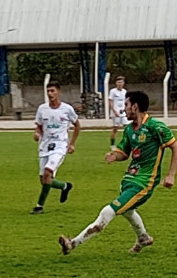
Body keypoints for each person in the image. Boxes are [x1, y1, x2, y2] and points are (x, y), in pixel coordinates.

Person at [59, 91, 177, 255]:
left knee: (108, 211)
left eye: (126, 105)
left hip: (144, 183)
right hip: (129, 179)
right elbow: (125, 153)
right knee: (127, 210)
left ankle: (73, 243)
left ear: (135, 106)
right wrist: (115, 156)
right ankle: (143, 237)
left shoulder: (155, 127)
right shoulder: (129, 129)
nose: (124, 110)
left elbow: (174, 146)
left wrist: (171, 175)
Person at [31, 81, 80, 214]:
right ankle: (65, 186)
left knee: (48, 173)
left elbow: (77, 126)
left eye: (52, 91)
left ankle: (39, 206)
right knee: (44, 180)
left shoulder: (67, 109)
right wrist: (36, 133)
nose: (50, 94)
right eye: (48, 91)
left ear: (59, 92)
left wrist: (72, 144)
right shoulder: (42, 109)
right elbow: (39, 126)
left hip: (60, 146)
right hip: (44, 146)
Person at [109, 76, 128, 151]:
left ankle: (126, 143)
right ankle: (112, 144)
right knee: (115, 129)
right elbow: (110, 101)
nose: (120, 84)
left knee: (127, 127)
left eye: (121, 82)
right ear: (116, 83)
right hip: (116, 113)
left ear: (123, 83)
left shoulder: (124, 91)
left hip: (123, 112)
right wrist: (114, 110)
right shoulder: (113, 91)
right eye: (118, 82)